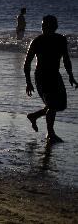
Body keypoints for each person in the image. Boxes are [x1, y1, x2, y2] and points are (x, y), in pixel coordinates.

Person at [24, 15, 75, 143]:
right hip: (41, 76)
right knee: (52, 105)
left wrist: (71, 76)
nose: (43, 27)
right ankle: (50, 133)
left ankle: (34, 116)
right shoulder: (37, 41)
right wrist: (28, 82)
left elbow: (66, 59)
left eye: (46, 25)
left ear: (54, 27)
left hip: (55, 75)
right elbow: (27, 63)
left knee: (60, 104)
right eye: (42, 25)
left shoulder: (61, 40)